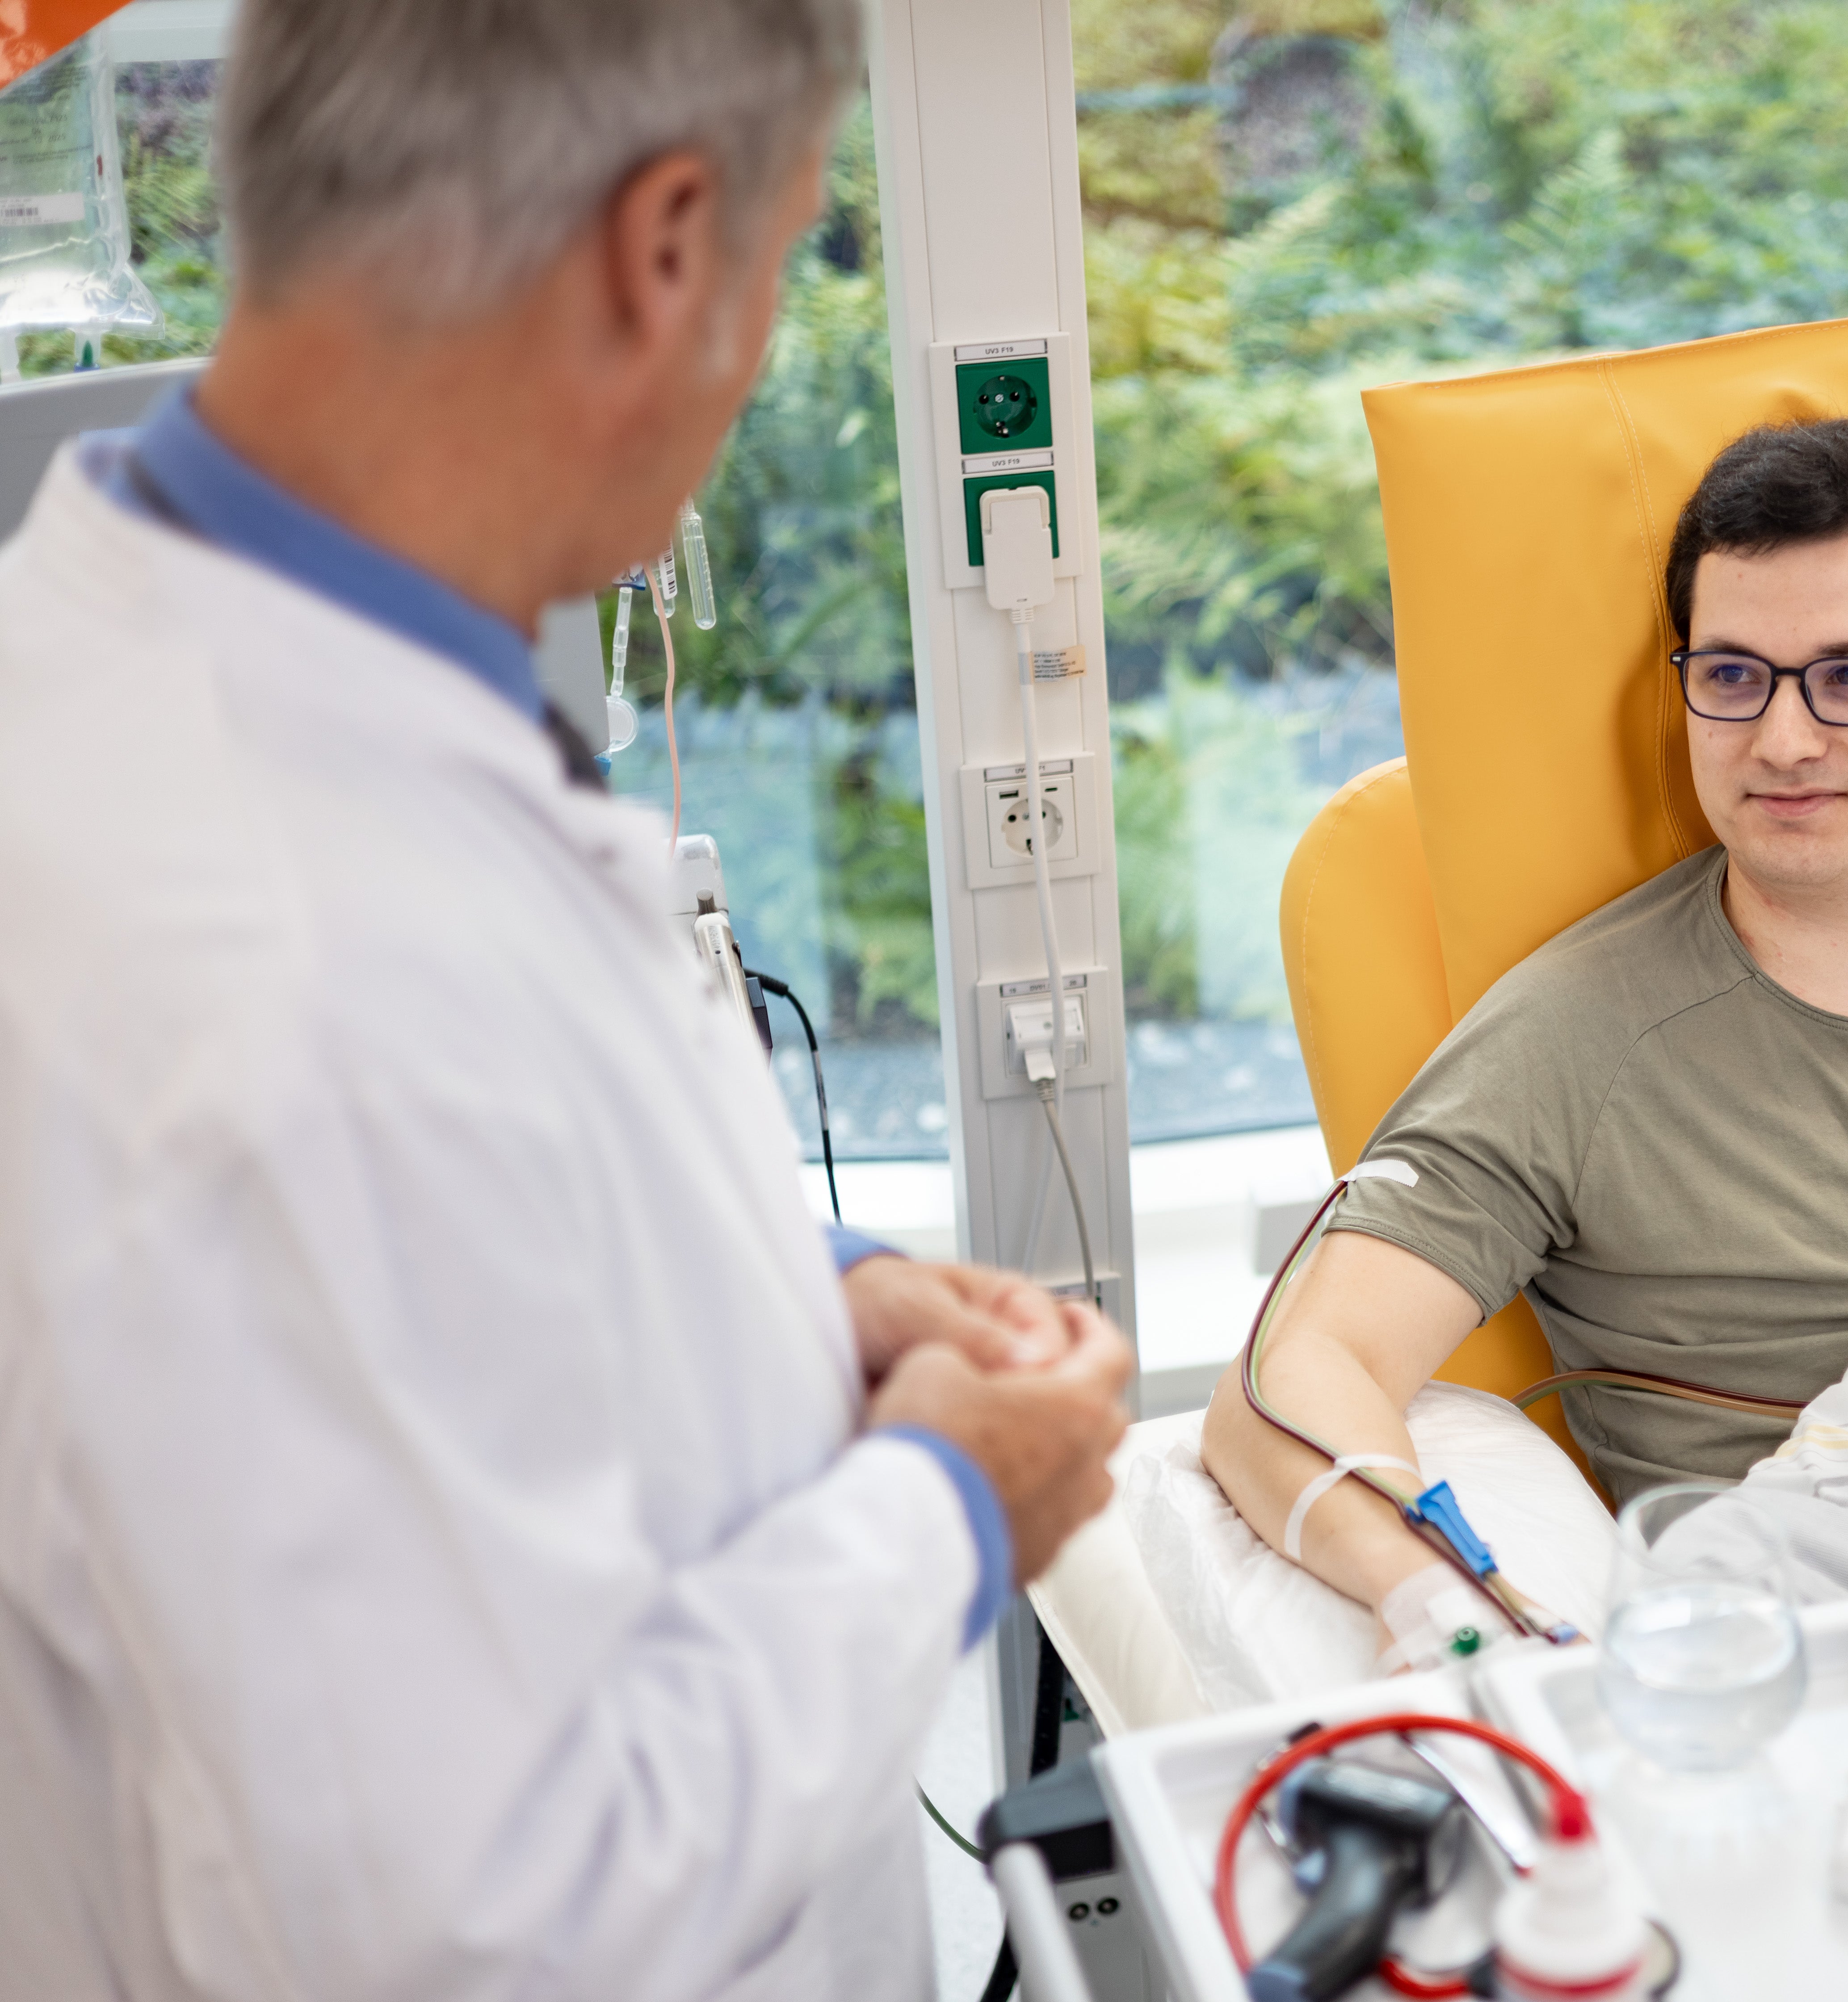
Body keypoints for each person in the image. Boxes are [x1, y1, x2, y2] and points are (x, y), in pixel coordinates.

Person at [0, 4, 1132, 1996]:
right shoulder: (283, 969)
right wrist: (952, 1503)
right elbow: (489, 1919)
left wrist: (803, 1299)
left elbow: (439, 1293)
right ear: (665, 249)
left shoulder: (164, 673)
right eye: (785, 257)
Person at [1201, 416, 1848, 1661]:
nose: (1783, 741)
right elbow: (1287, 1385)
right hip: (1828, 1663)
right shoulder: (1572, 1040)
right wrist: (1442, 1608)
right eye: (1735, 675)